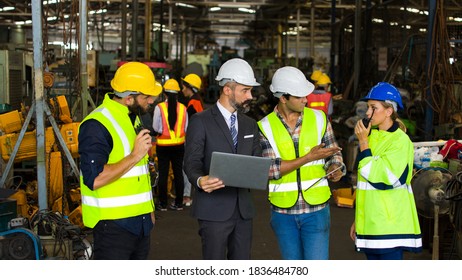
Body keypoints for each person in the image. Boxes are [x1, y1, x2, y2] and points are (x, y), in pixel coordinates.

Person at [258, 66, 346, 260]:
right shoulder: (265, 126)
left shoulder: (319, 119)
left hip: (317, 210)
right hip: (283, 212)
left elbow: (334, 154)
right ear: (283, 98)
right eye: (299, 97)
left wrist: (335, 167)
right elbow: (270, 170)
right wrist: (307, 158)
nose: (306, 100)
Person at [78, 61, 162, 259]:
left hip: (140, 224)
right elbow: (94, 179)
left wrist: (148, 211)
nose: (151, 101)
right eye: (146, 97)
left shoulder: (132, 117)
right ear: (129, 98)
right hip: (113, 228)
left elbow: (138, 176)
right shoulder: (96, 125)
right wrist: (135, 155)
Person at [183, 58, 261, 260]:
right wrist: (201, 181)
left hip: (243, 210)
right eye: (245, 90)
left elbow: (256, 160)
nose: (250, 96)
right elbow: (191, 162)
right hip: (213, 210)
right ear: (227, 89)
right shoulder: (200, 121)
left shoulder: (250, 125)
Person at [349, 82, 422, 260]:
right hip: (372, 224)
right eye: (368, 107)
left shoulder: (400, 141)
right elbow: (364, 184)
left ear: (389, 111)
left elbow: (382, 178)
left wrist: (363, 143)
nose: (367, 113)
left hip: (390, 227)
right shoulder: (371, 135)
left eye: (373, 107)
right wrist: (358, 219)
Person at [152, 78, 188, 211]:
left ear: (164, 93)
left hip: (163, 146)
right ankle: (179, 203)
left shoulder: (159, 107)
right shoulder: (184, 108)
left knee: (163, 173)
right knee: (178, 173)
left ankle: (163, 204)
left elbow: (156, 127)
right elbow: (186, 127)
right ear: (178, 94)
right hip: (179, 145)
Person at [181, 73, 204, 206]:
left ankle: (186, 196)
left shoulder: (192, 104)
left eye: (184, 86)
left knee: (188, 167)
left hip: (193, 140)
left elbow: (190, 125)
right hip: (198, 139)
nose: (182, 89)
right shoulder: (197, 101)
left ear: (190, 88)